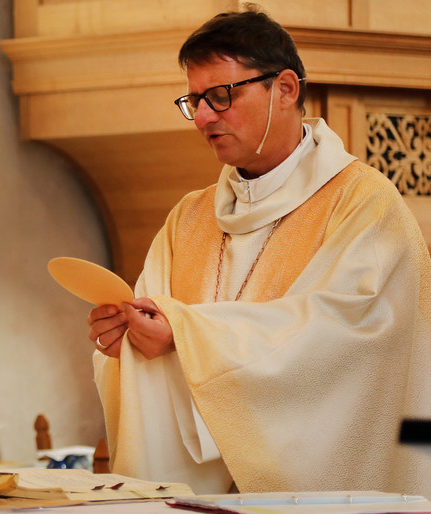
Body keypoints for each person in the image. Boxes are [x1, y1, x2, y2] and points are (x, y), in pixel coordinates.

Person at [88, 6, 431, 496]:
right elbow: (154, 329)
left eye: (221, 95)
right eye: (194, 100)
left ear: (285, 89)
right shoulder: (188, 219)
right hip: (200, 496)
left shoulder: (365, 205)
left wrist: (186, 334)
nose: (203, 116)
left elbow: (346, 340)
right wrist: (124, 342)